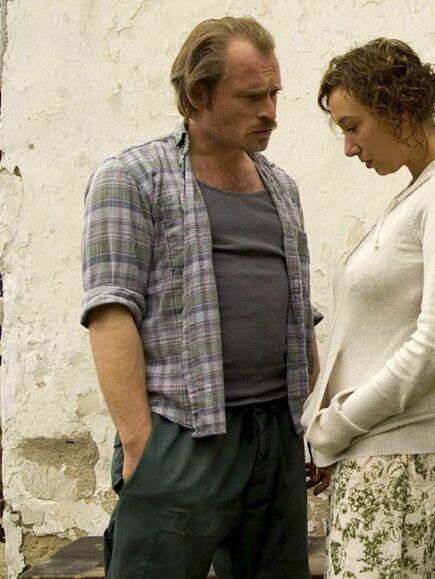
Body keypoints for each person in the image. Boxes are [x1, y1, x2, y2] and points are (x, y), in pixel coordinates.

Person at [81, 16, 324, 578]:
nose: (271, 110)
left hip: (276, 437)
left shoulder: (280, 185)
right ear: (199, 94)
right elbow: (111, 312)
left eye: (274, 93)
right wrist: (140, 442)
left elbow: (297, 307)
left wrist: (309, 421)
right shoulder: (133, 178)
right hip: (183, 435)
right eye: (252, 96)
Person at [303, 38, 435, 578]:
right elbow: (370, 338)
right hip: (375, 463)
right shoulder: (419, 192)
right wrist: (319, 428)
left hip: (398, 469)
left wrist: (334, 428)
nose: (348, 147)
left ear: (399, 107)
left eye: (352, 126)